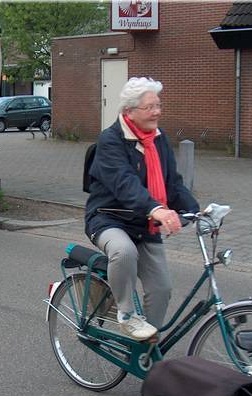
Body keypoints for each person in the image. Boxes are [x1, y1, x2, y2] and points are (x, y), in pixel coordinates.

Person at [85, 77, 199, 340]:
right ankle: (126, 314)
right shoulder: (110, 140)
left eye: (158, 105)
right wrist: (156, 209)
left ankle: (148, 344)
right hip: (108, 218)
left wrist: (197, 211)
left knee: (161, 288)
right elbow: (125, 184)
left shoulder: (158, 139)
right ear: (129, 111)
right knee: (123, 251)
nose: (157, 112)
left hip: (144, 223)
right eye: (150, 107)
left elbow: (173, 184)